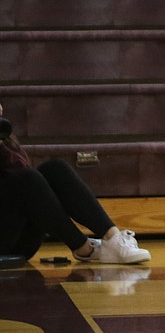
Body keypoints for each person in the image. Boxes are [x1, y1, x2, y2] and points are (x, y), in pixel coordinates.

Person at [0, 102, 150, 265]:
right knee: (27, 178)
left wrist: (2, 144)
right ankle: (84, 247)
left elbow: (20, 173)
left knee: (54, 169)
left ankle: (113, 238)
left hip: (19, 240)